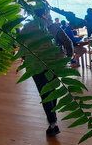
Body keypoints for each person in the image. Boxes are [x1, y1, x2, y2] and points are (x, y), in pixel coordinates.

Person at [21, 8, 73, 136]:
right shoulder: (54, 26)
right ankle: (53, 119)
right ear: (45, 13)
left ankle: (52, 123)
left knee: (44, 94)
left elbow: (21, 47)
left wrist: (27, 59)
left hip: (34, 65)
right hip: (54, 64)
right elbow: (68, 42)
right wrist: (68, 58)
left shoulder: (27, 27)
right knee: (53, 91)